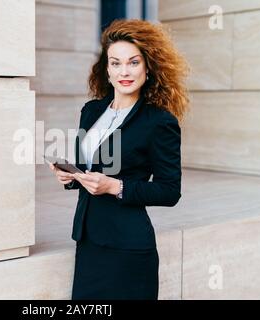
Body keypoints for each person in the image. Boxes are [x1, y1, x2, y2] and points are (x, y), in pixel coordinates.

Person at [49, 19, 189, 300]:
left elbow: (170, 190)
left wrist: (114, 186)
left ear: (148, 68)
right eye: (115, 63)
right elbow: (90, 169)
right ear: (107, 70)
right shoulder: (91, 111)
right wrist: (69, 177)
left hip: (128, 248)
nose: (124, 71)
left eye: (133, 62)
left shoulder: (159, 122)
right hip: (88, 240)